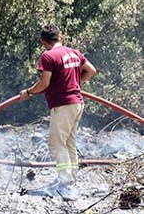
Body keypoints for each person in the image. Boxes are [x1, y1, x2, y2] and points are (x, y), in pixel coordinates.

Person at [19, 24, 96, 200]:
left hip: (63, 106)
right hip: (77, 104)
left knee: (56, 144)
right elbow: (91, 71)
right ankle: (71, 181)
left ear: (43, 42)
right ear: (59, 37)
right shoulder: (74, 52)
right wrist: (76, 83)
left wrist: (29, 92)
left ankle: (65, 183)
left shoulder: (48, 56)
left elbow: (44, 83)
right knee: (69, 142)